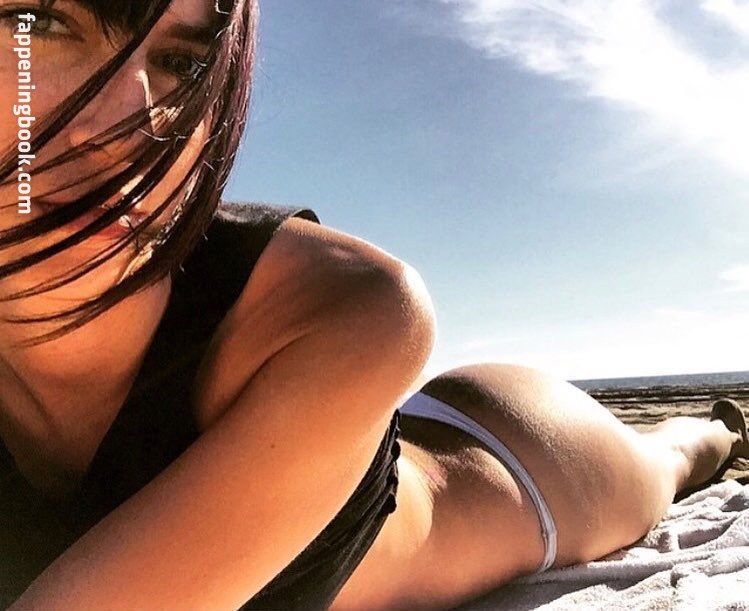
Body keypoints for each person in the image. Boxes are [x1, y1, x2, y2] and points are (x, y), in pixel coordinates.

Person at [0, 1, 747, 609]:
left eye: (183, 63)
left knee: (669, 462)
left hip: (524, 469)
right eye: (42, 25)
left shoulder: (347, 305)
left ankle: (717, 429)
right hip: (374, 429)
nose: (126, 128)